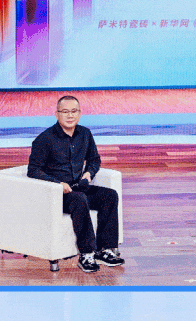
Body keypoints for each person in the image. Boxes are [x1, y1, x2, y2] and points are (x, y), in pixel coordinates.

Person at [27, 95, 124, 273]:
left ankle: (105, 250)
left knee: (110, 196)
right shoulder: (44, 139)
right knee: (79, 199)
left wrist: (89, 173)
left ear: (79, 113)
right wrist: (58, 183)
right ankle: (86, 254)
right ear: (57, 114)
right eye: (65, 111)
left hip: (78, 187)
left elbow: (94, 159)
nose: (70, 115)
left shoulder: (85, 134)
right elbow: (33, 170)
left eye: (74, 111)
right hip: (56, 193)